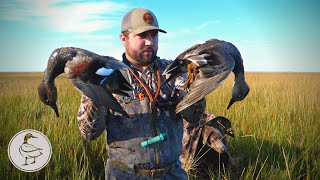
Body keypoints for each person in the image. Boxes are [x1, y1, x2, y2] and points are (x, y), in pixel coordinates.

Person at [77, 8, 206, 179]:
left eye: (154, 35)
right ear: (123, 38)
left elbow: (195, 117)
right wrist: (96, 90)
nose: (149, 42)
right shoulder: (106, 74)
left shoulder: (174, 71)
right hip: (125, 175)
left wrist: (196, 84)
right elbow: (89, 133)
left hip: (172, 174)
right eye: (142, 36)